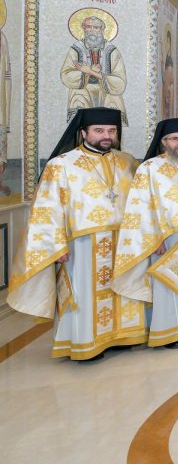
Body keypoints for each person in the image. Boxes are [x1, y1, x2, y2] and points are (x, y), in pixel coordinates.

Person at [9, 108, 143, 360]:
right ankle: (86, 344)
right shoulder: (61, 165)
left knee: (122, 291)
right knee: (85, 296)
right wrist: (56, 245)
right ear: (83, 132)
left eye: (111, 131)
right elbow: (47, 208)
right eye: (99, 130)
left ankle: (122, 338)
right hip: (83, 244)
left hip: (124, 241)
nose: (106, 135)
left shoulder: (127, 161)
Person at [113, 118, 178, 348]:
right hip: (169, 238)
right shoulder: (150, 168)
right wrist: (154, 238)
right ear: (163, 142)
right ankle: (171, 332)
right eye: (175, 138)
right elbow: (141, 206)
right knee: (171, 283)